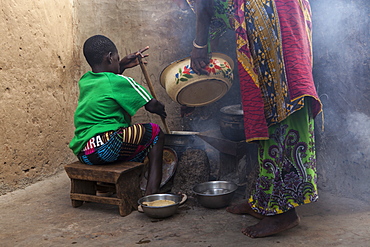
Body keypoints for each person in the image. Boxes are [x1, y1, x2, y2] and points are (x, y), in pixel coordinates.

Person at [188, 0, 322, 238]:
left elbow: (204, 4)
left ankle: (285, 212)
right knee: (268, 109)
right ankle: (264, 200)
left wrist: (200, 44)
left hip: (275, 15)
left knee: (285, 104)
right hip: (269, 14)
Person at [69, 35, 167, 196]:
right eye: (117, 58)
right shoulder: (120, 81)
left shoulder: (86, 80)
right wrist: (161, 108)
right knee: (155, 134)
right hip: (106, 147)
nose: (118, 61)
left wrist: (121, 64)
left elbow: (107, 79)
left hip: (85, 153)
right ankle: (152, 193)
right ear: (109, 57)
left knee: (131, 138)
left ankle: (109, 184)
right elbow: (152, 105)